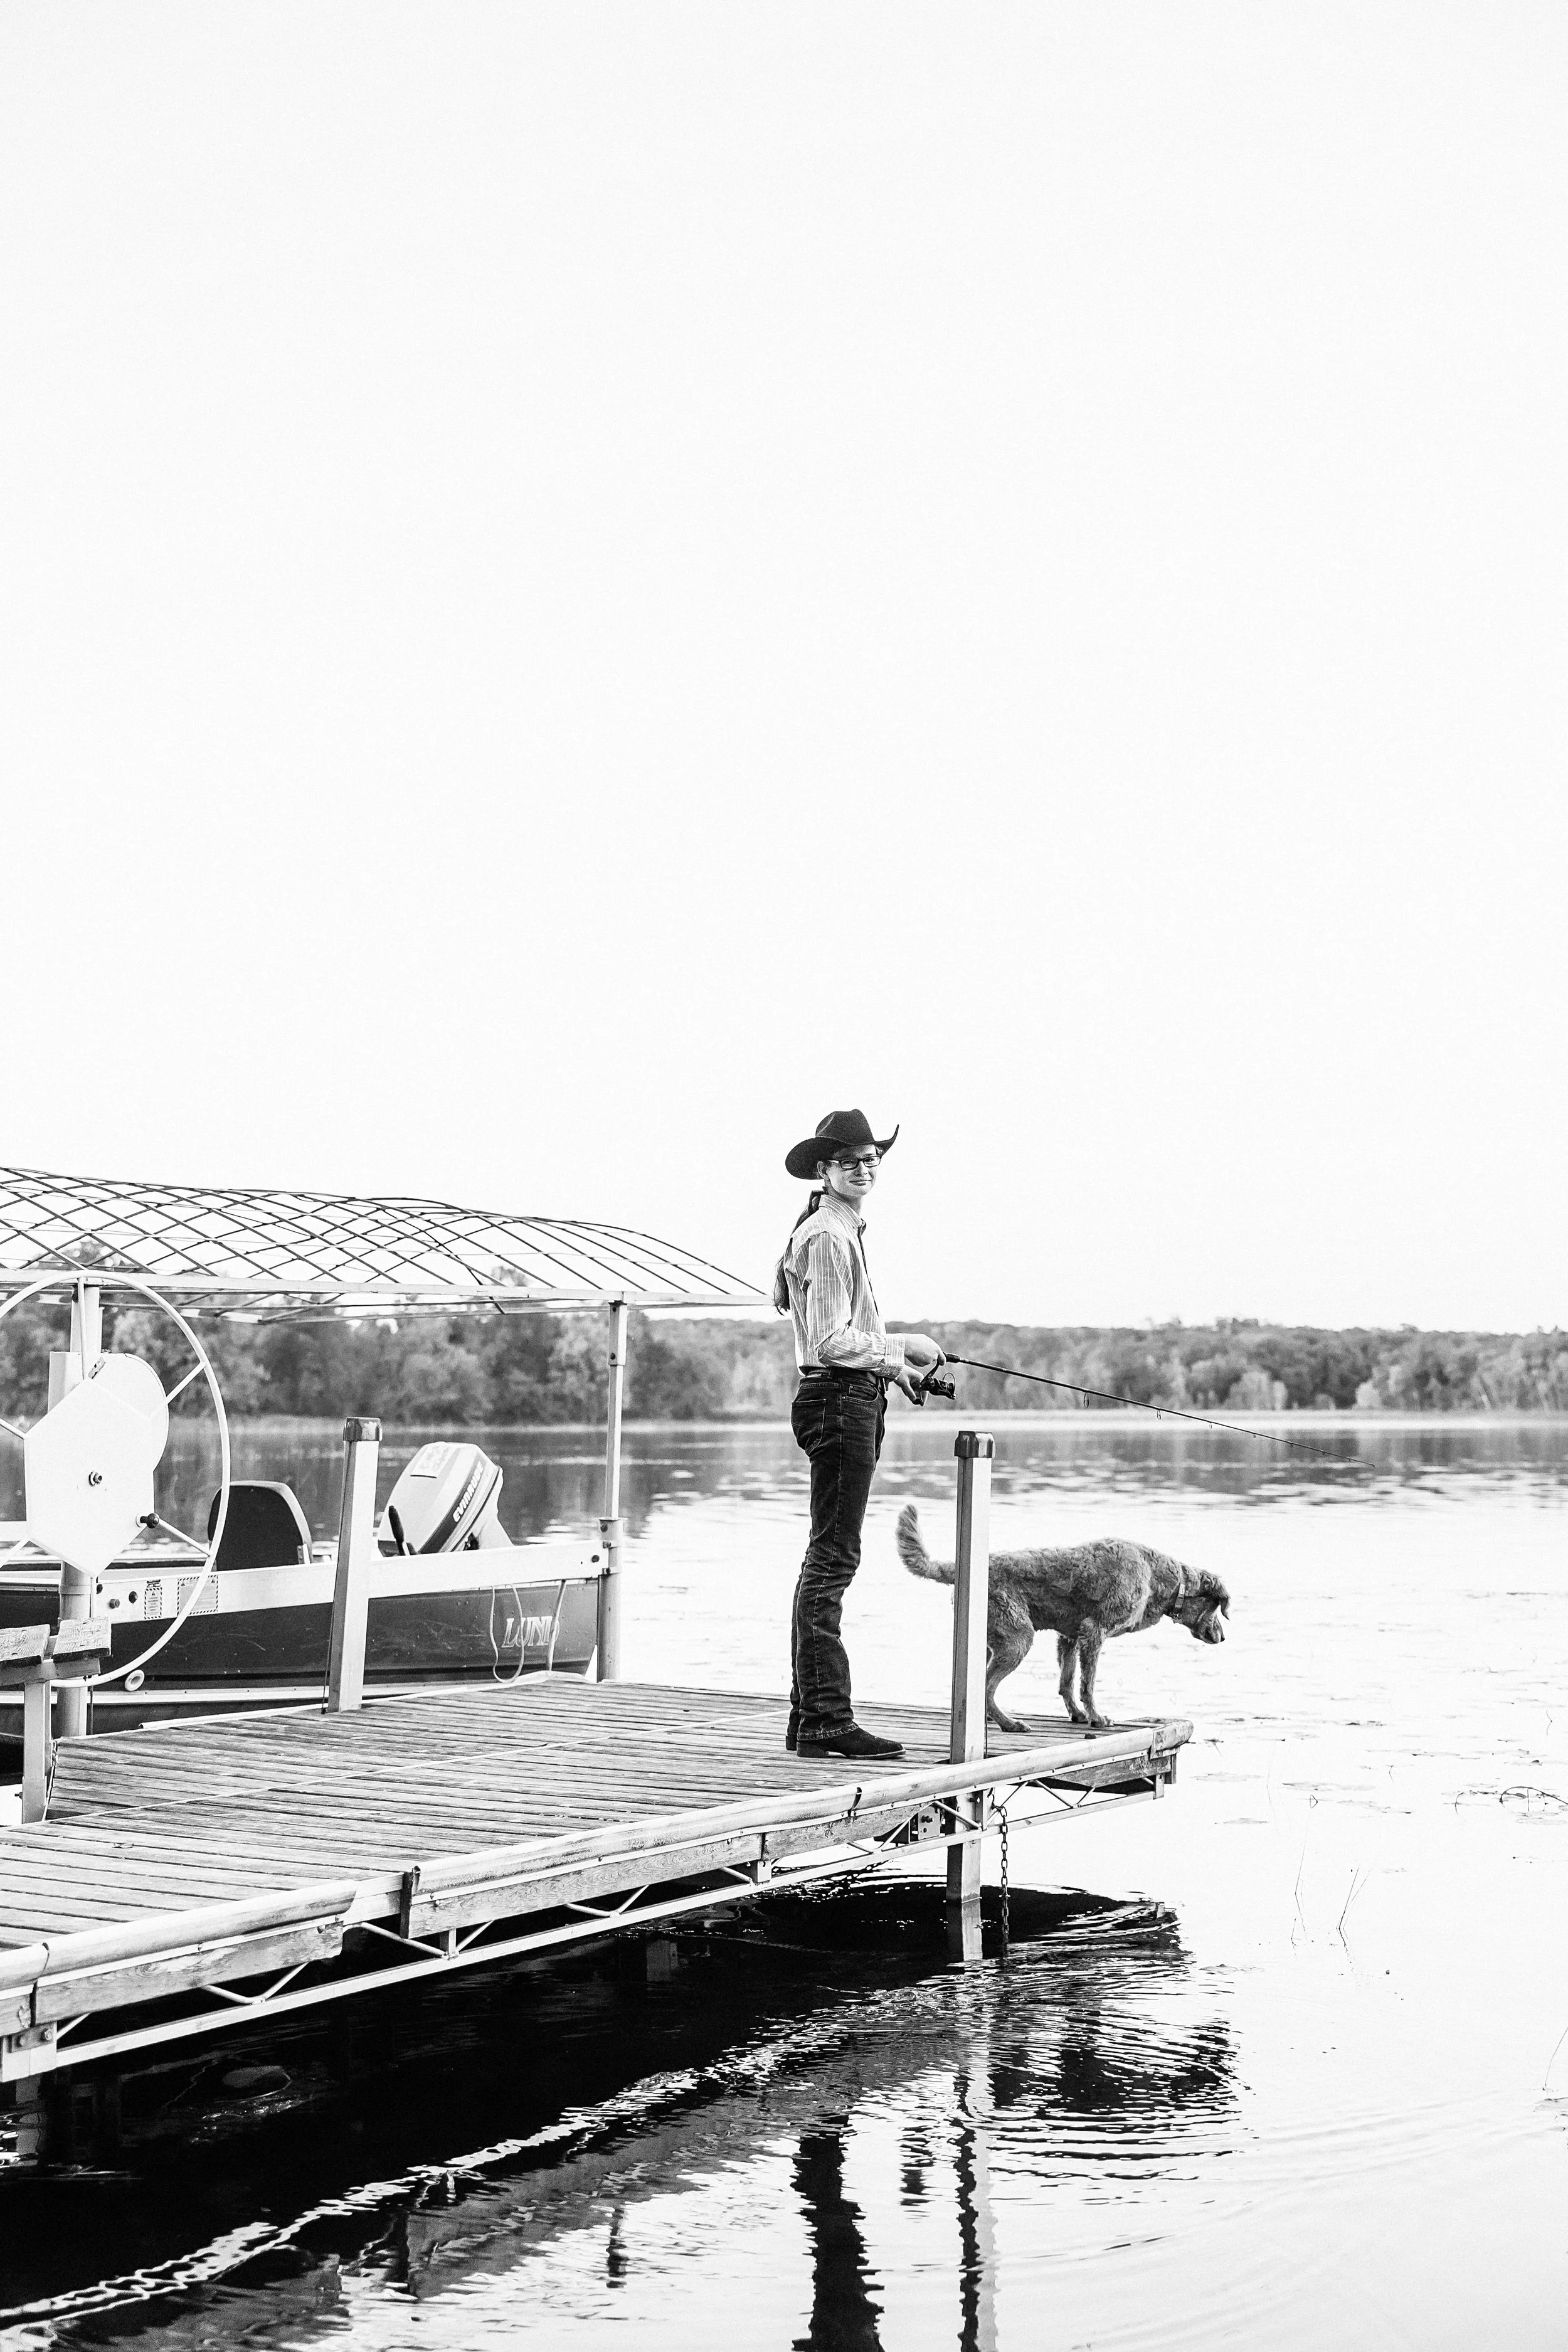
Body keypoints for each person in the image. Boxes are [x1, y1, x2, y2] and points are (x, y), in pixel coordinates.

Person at [774, 1110, 946, 1759]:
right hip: (837, 1402)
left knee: (827, 1558)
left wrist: (898, 1370)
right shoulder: (826, 1235)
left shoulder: (838, 1228)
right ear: (824, 1170)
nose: (865, 1169)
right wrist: (903, 1345)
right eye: (851, 1162)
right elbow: (827, 1341)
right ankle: (825, 1719)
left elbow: (842, 1339)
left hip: (847, 1397)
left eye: (872, 1159)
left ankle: (808, 1720)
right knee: (833, 1561)